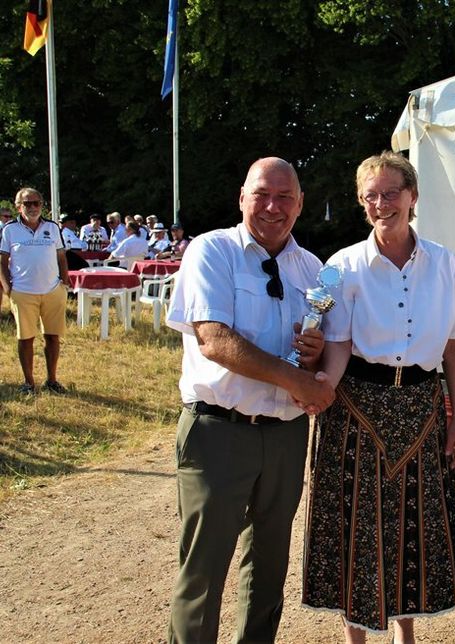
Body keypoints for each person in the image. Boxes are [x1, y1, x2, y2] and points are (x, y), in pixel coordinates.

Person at [302, 151, 455, 643]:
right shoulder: (341, 267)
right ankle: (355, 639)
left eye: (391, 192)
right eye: (371, 196)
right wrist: (321, 387)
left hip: (422, 406)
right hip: (355, 406)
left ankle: (406, 637)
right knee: (355, 526)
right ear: (362, 203)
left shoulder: (446, 264)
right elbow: (333, 342)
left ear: (413, 197)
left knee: (412, 525)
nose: (382, 204)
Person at [165, 157, 336, 643]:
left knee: (267, 568)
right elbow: (214, 339)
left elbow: (316, 345)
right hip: (219, 432)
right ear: (242, 197)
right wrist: (298, 382)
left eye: (285, 197)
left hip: (283, 436)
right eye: (262, 194)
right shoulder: (211, 251)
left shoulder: (314, 270)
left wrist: (314, 355)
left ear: (300, 204)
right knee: (203, 571)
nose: (273, 206)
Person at [0, 188, 70, 395]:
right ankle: (29, 382)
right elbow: (2, 261)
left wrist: (64, 281)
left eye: (36, 203)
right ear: (18, 206)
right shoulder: (9, 230)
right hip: (22, 292)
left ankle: (52, 380)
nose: (32, 207)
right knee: (25, 338)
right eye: (27, 204)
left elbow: (61, 256)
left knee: (53, 337)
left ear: (42, 204)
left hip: (52, 291)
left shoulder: (52, 227)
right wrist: (7, 287)